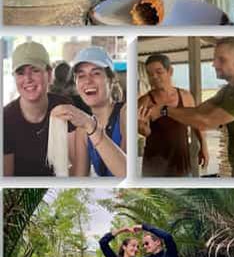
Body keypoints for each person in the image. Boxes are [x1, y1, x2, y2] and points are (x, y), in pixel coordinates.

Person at [146, 37, 234, 177]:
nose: (214, 64)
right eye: (214, 59)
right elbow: (198, 111)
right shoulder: (228, 90)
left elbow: (206, 121)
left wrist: (164, 110)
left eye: (221, 59)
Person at [4, 42, 78, 176]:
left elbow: (75, 165)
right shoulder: (5, 119)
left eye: (35, 70)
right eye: (20, 73)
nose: (28, 79)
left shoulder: (64, 106)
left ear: (49, 75)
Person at [50, 47, 126, 177]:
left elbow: (126, 173)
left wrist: (90, 125)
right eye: (81, 76)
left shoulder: (125, 113)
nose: (87, 81)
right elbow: (81, 179)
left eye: (96, 73)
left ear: (111, 79)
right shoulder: (82, 131)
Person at [138, 54, 208, 177]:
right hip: (155, 165)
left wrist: (204, 146)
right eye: (150, 74)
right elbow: (146, 132)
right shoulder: (145, 101)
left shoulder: (185, 96)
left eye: (159, 72)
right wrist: (141, 127)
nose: (154, 77)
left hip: (181, 162)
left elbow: (196, 122)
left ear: (170, 71)